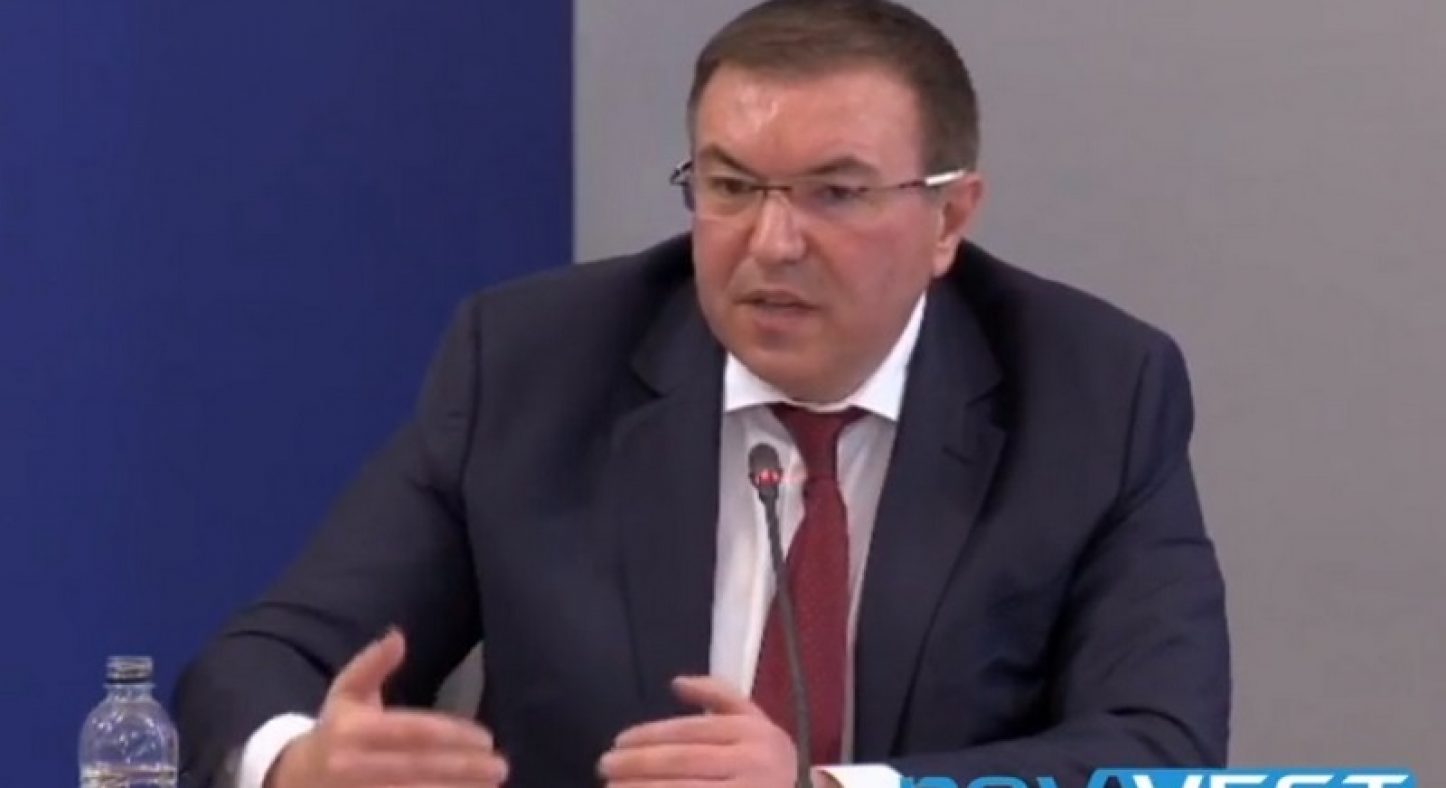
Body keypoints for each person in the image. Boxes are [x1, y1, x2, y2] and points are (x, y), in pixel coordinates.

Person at [173, 1, 1231, 786]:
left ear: (950, 218)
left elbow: (1157, 751)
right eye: (731, 186)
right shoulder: (535, 364)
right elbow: (263, 659)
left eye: (835, 192)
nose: (772, 242)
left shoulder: (1093, 392)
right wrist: (298, 759)